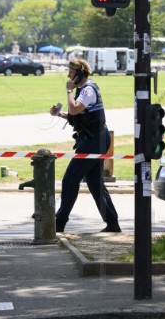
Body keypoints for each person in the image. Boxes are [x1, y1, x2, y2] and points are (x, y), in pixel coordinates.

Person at [51, 58, 120, 233]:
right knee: (95, 183)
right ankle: (112, 223)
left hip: (94, 141)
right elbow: (77, 116)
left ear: (79, 74)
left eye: (71, 73)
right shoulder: (84, 90)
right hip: (93, 139)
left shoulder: (88, 91)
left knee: (71, 178)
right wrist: (59, 114)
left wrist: (68, 90)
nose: (68, 75)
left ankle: (59, 222)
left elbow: (74, 109)